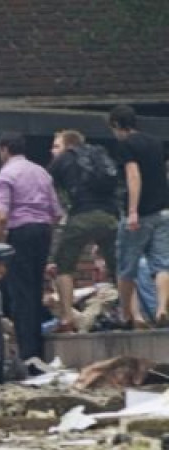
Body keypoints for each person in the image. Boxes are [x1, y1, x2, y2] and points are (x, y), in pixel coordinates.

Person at [0, 131, 63, 363]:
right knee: (34, 289)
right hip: (42, 232)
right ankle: (38, 351)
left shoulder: (5, 175)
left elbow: (1, 216)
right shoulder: (41, 171)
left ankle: (28, 354)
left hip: (20, 232)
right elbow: (57, 212)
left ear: (3, 149)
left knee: (21, 294)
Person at [47, 130, 120, 331]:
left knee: (63, 265)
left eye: (56, 146)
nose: (52, 151)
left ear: (68, 145)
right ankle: (131, 314)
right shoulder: (99, 154)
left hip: (81, 216)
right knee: (120, 268)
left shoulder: (65, 158)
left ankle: (67, 317)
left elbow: (44, 185)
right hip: (110, 216)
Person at [109, 105, 169, 326]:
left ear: (116, 124)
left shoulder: (126, 145)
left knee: (127, 267)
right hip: (163, 212)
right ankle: (162, 308)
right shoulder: (155, 143)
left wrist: (133, 210)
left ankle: (130, 315)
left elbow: (133, 176)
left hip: (140, 214)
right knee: (162, 265)